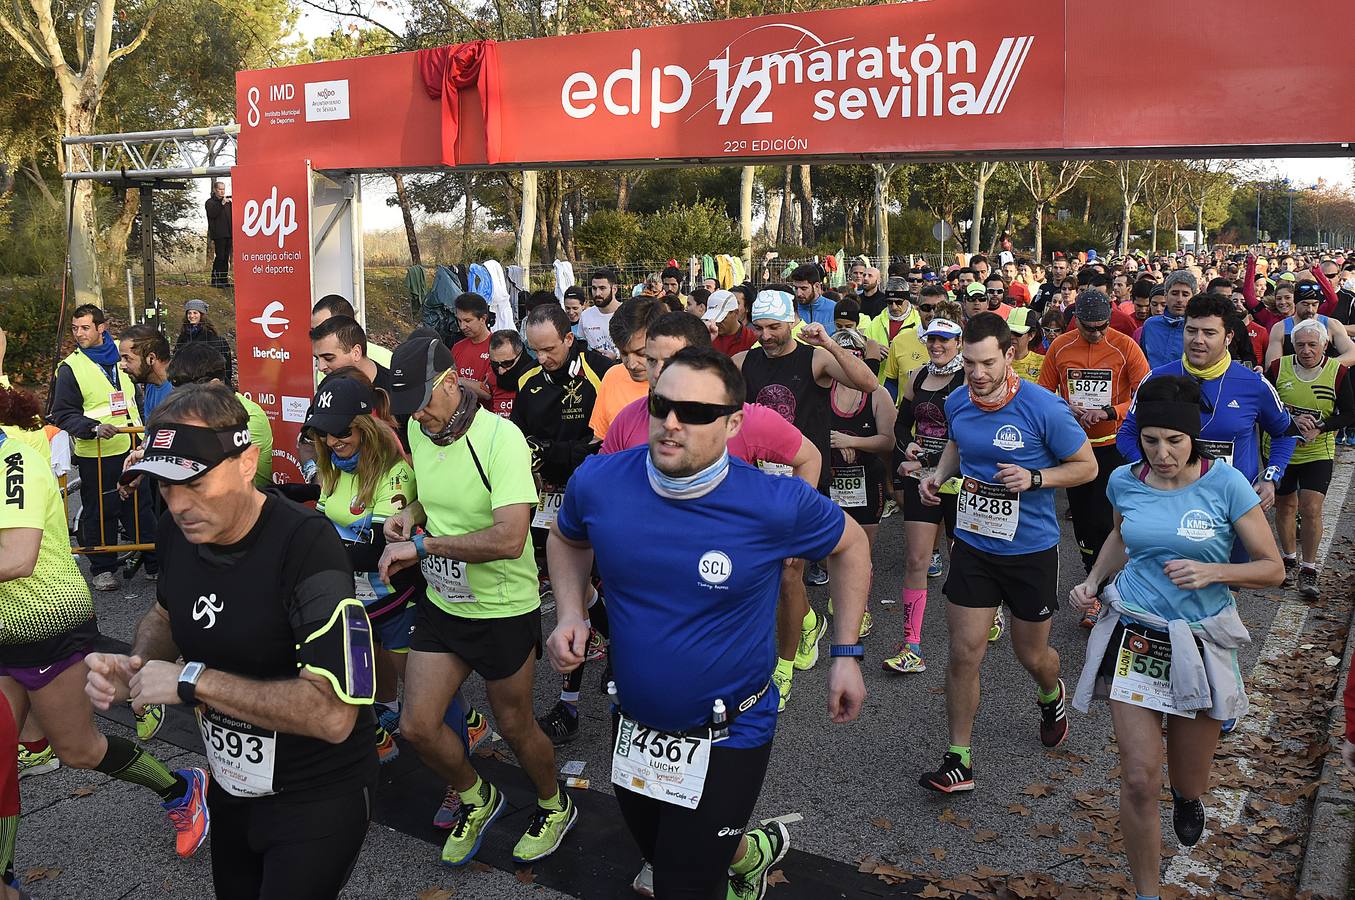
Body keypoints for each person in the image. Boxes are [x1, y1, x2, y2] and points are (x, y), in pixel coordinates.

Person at [546, 345, 869, 900]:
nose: (671, 423)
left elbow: (853, 544)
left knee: (680, 882)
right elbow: (566, 537)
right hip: (637, 726)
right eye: (661, 405)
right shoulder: (599, 481)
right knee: (662, 851)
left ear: (734, 423)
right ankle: (750, 855)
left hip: (730, 729)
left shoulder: (772, 502)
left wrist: (845, 655)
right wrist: (572, 611)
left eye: (695, 413)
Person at [95, 383, 377, 893]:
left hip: (316, 792)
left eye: (195, 483)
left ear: (247, 463)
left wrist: (190, 682)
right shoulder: (179, 530)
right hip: (231, 785)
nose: (178, 504)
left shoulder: (307, 545)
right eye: (164, 486)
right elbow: (166, 612)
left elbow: (334, 716)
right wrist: (136, 665)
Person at [1069, 374, 1284, 900]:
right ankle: (1146, 893)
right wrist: (1094, 581)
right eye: (1151, 440)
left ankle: (1188, 798)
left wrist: (1214, 573)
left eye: (1175, 441)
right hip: (1138, 632)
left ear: (1194, 438)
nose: (1162, 453)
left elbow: (1273, 568)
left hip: (1201, 640)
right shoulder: (1124, 480)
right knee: (1140, 778)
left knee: (1187, 779)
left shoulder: (1226, 484)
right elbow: (1122, 536)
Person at [379, 333, 578, 866]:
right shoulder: (420, 431)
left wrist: (423, 545)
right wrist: (411, 514)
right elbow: (429, 496)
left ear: (448, 383)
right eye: (406, 407)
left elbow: (509, 538)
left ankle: (554, 804)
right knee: (416, 724)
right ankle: (476, 796)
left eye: (420, 403)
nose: (414, 416)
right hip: (445, 603)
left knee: (513, 725)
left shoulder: (500, 438)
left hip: (503, 608)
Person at [916, 313, 1096, 794]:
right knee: (963, 651)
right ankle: (959, 758)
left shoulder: (1044, 408)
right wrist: (937, 475)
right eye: (969, 362)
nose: (977, 373)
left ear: (1009, 354)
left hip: (1030, 550)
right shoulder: (958, 400)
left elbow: (1087, 467)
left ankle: (1050, 693)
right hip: (974, 543)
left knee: (1031, 653)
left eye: (987, 362)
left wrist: (1037, 478)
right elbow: (958, 443)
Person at [735, 289, 879, 701]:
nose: (766, 335)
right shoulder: (744, 363)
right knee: (774, 574)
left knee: (790, 570)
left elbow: (868, 382)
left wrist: (829, 341)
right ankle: (809, 621)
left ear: (792, 322)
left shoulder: (813, 358)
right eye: (759, 327)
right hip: (759, 481)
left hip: (806, 476)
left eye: (774, 327)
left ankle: (781, 672)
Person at [1118, 293, 1298, 557]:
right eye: (1191, 330)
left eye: (1209, 333)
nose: (1198, 340)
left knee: (1225, 590)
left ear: (1228, 338)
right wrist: (1150, 473)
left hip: (1229, 510)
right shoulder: (1157, 379)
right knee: (1167, 583)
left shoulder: (1253, 385)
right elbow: (1127, 435)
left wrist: (1271, 478)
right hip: (1168, 504)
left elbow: (1285, 432)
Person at [512, 305, 616, 744]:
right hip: (550, 502)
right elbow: (518, 440)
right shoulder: (527, 381)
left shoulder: (602, 373)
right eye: (535, 351)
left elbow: (603, 443)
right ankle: (571, 702)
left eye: (549, 349)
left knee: (595, 586)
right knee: (574, 590)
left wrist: (556, 452)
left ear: (570, 338)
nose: (542, 358)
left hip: (595, 496)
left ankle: (617, 656)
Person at [1039, 291, 1150, 605]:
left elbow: (1146, 394)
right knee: (1085, 520)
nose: (1097, 333)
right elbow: (1044, 394)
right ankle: (1095, 580)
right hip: (1074, 448)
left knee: (1109, 520)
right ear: (1076, 322)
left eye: (1103, 326)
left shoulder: (1125, 345)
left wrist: (1110, 411)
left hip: (1113, 446)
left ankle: (1112, 582)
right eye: (1089, 327)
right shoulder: (1060, 347)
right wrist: (1064, 407)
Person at [49, 304, 158, 591]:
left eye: (85, 327)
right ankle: (103, 568)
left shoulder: (122, 358)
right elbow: (62, 413)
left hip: (132, 446)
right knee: (102, 509)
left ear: (102, 328)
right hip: (97, 451)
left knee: (141, 505)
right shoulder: (70, 368)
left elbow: (136, 397)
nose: (78, 334)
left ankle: (153, 561)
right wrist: (93, 428)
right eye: (74, 328)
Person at [885, 316, 965, 675]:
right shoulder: (918, 376)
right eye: (932, 339)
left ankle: (987, 613)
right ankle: (911, 645)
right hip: (922, 476)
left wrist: (934, 458)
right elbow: (901, 424)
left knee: (963, 559)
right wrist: (909, 448)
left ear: (959, 342)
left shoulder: (969, 379)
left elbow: (968, 435)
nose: (937, 346)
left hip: (960, 479)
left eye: (945, 340)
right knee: (917, 560)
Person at [1265, 319, 1354, 599]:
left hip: (1318, 450)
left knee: (1311, 507)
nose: (1306, 350)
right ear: (1293, 345)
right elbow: (1263, 406)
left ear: (1324, 345)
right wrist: (1289, 419)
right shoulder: (1278, 368)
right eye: (1300, 344)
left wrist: (1321, 427)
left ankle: (1309, 567)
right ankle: (1289, 559)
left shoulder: (1337, 371)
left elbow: (1350, 413)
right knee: (1285, 505)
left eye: (1312, 345)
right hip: (1280, 449)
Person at [826, 328, 897, 638]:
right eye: (840, 356)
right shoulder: (821, 390)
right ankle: (839, 599)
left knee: (862, 552)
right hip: (830, 481)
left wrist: (853, 440)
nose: (846, 364)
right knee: (831, 546)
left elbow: (889, 441)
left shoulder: (877, 393)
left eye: (854, 356)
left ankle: (861, 608)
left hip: (867, 482)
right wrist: (832, 443)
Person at [167, 344, 273, 488]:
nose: (181, 401)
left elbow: (206, 466)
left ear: (215, 385)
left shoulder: (249, 416)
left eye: (188, 394)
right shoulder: (193, 413)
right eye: (176, 392)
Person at [591, 298, 663, 440]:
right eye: (623, 353)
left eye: (641, 353)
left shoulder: (683, 383)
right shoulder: (613, 376)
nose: (631, 364)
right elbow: (600, 439)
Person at [880, 282, 940, 401]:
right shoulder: (899, 341)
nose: (932, 313)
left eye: (938, 308)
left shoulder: (960, 342)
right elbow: (891, 384)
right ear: (918, 309)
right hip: (908, 417)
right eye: (926, 308)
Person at [311, 315, 392, 394]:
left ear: (356, 353)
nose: (321, 367)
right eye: (317, 358)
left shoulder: (396, 390)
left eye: (329, 358)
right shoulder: (326, 392)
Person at [311, 295, 393, 369]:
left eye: (326, 329)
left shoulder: (385, 359)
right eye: (314, 330)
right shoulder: (323, 361)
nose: (321, 367)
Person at [1137, 270, 1196, 369]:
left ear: (1193, 297)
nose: (1179, 300)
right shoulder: (1150, 325)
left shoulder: (1198, 328)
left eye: (1185, 294)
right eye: (1174, 293)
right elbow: (1142, 359)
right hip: (1154, 382)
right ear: (1166, 296)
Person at [118, 324, 174, 424]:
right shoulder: (151, 385)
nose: (121, 366)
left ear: (151, 358)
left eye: (127, 358)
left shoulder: (181, 391)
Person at [174, 299, 234, 385]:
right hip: (187, 384)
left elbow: (223, 365)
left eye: (195, 313)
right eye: (189, 313)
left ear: (201, 315)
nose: (191, 316)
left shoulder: (211, 337)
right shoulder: (183, 337)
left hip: (208, 384)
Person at [451, 292, 497, 403]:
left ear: (483, 319)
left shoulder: (497, 348)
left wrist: (457, 380)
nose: (462, 326)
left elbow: (487, 392)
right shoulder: (457, 348)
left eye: (467, 321)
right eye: (459, 320)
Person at [487, 330, 531, 419]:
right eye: (495, 364)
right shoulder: (491, 376)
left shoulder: (537, 379)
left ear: (520, 356)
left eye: (507, 364)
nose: (500, 371)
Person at [581, 268, 624, 359]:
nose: (597, 293)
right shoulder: (585, 316)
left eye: (602, 288)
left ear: (614, 289)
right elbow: (582, 345)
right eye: (594, 288)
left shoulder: (627, 312)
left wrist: (617, 356)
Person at [705, 290, 758, 357]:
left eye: (722, 318)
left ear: (736, 312)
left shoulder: (751, 339)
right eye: (712, 317)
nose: (717, 322)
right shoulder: (706, 337)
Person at [789, 263, 837, 334]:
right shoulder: (789, 310)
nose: (798, 293)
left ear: (817, 286)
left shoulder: (835, 309)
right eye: (795, 288)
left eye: (804, 288)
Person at [205, 181, 232, 289]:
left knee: (226, 257)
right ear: (215, 190)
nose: (222, 192)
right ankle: (215, 279)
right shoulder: (210, 202)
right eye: (220, 189)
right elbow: (212, 214)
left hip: (229, 233)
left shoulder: (228, 202)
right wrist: (221, 204)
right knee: (220, 256)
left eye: (223, 189)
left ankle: (224, 279)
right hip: (219, 234)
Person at [1007, 308, 1045, 382]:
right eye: (1009, 332)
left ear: (1031, 335)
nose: (1011, 337)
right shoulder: (997, 361)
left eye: (1017, 333)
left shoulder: (1043, 363)